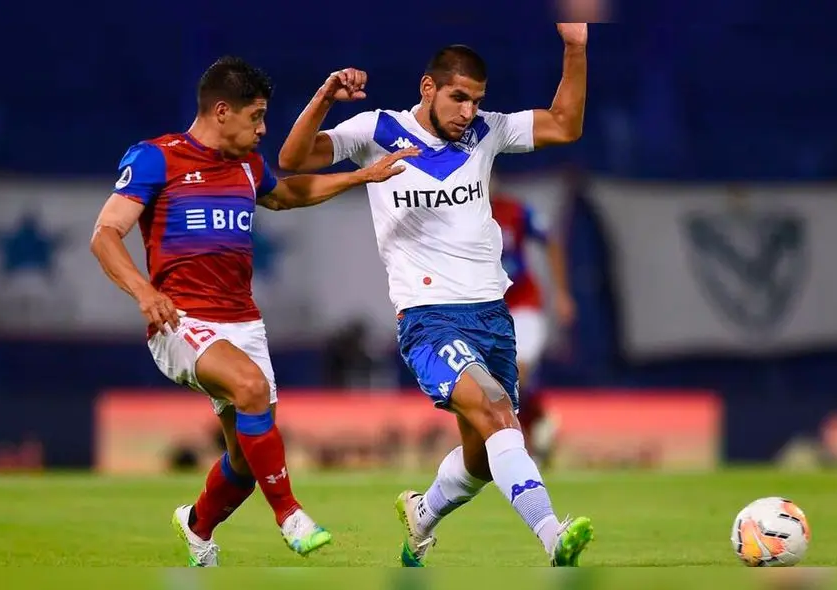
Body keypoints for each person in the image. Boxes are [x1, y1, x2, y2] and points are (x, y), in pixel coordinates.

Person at [277, 24, 590, 566]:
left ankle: (422, 514)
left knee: (484, 456)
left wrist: (575, 48)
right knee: (498, 414)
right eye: (458, 97)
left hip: (493, 315)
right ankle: (551, 536)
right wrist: (325, 96)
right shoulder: (377, 130)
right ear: (428, 87)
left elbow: (564, 125)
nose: (469, 111)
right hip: (429, 319)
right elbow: (294, 159)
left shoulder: (486, 132)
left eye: (476, 100)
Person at [89, 56, 418, 567]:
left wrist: (361, 177)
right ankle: (290, 515)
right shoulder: (158, 158)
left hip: (243, 323)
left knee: (245, 460)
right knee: (250, 388)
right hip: (181, 321)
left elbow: (285, 195)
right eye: (256, 117)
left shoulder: (247, 164)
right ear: (222, 111)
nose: (264, 129)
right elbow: (105, 234)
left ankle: (196, 527)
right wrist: (143, 292)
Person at [491, 184, 576, 468]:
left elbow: (551, 239)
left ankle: (527, 439)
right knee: (498, 384)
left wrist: (562, 292)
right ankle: (539, 426)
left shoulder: (515, 210)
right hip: (487, 310)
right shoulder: (459, 213)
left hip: (524, 304)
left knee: (519, 370)